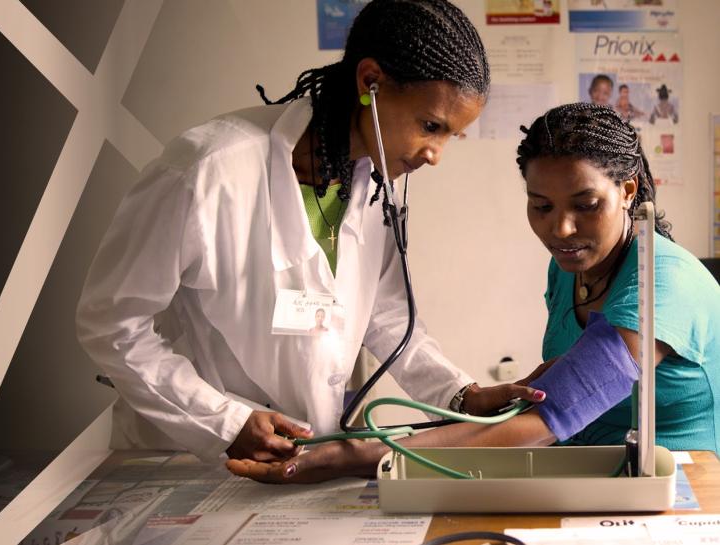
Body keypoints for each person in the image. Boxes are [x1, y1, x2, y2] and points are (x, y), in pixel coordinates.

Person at [75, 0, 547, 465]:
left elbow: (384, 317)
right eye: (430, 126)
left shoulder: (372, 183)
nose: (435, 154)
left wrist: (460, 394)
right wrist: (225, 421)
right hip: (186, 456)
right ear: (370, 82)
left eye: (450, 136)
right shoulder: (206, 170)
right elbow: (112, 323)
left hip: (301, 452)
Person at [227, 103, 719, 483]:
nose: (562, 229)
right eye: (541, 206)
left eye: (586, 204)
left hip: (682, 486)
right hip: (590, 471)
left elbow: (547, 420)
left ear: (629, 192)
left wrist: (351, 456)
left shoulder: (662, 283)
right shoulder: (569, 269)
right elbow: (548, 408)